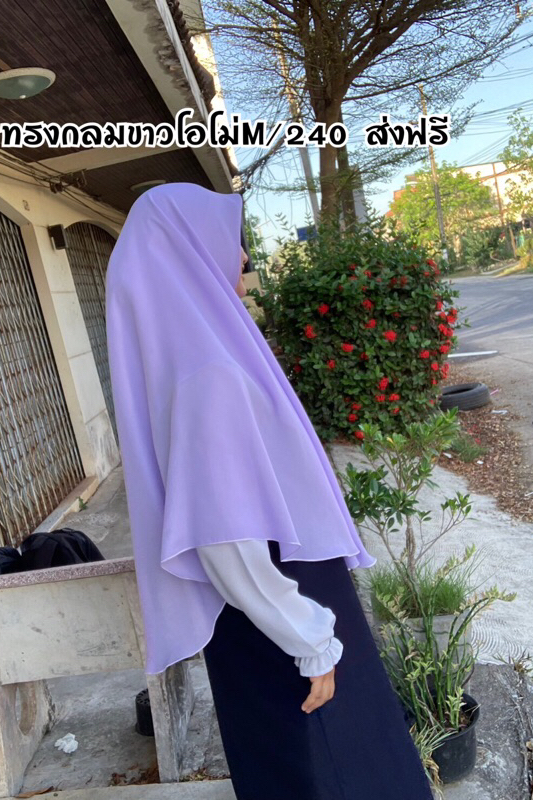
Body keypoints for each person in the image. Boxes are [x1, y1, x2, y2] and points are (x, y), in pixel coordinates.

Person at [105, 183, 434, 799]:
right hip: (285, 612)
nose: (243, 259)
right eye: (232, 242)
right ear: (190, 251)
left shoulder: (194, 358)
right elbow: (223, 535)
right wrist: (310, 639)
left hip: (263, 615)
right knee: (340, 774)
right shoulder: (209, 375)